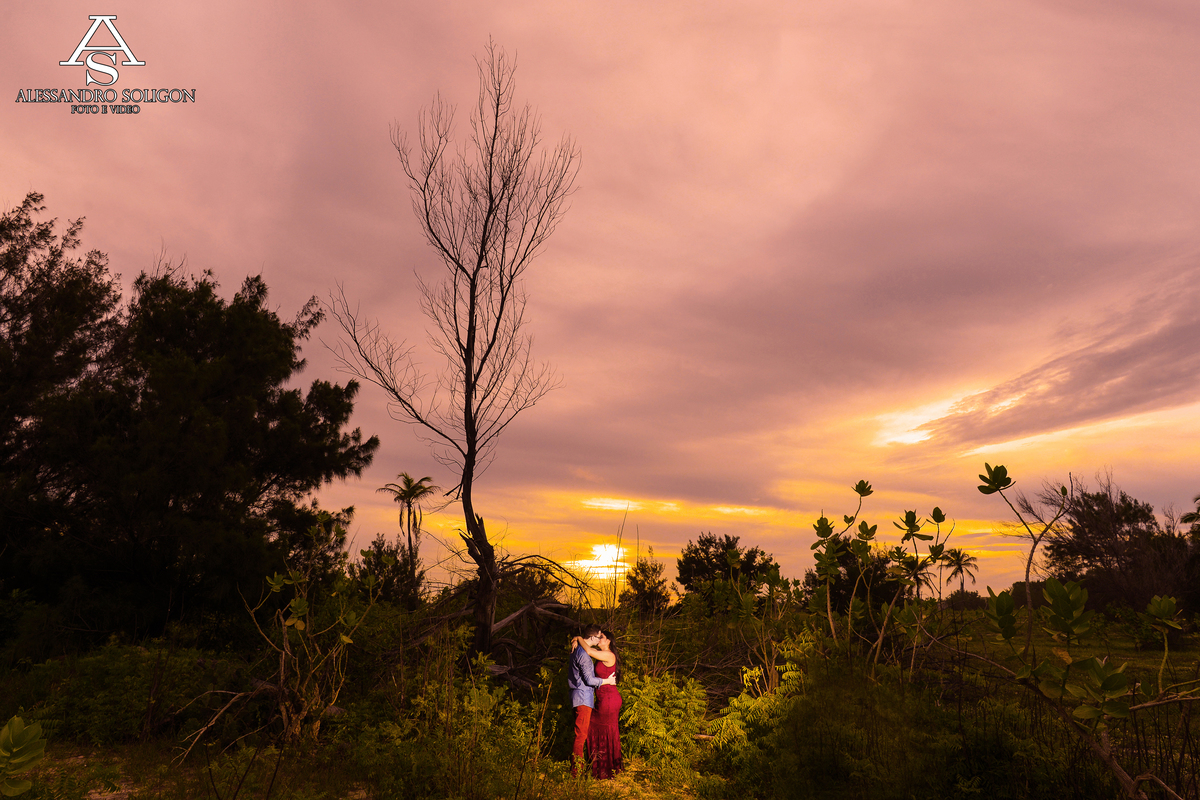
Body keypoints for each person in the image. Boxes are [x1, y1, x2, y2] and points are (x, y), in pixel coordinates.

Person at [573, 629, 623, 779]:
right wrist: (578, 640)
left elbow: (587, 649)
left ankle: (604, 770)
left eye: (602, 637)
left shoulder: (608, 655)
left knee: (598, 728)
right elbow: (588, 648)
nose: (599, 639)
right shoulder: (601, 654)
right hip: (604, 698)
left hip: (609, 699)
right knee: (601, 730)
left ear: (608, 641)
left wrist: (579, 637)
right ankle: (604, 767)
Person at [567, 624, 613, 775]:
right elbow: (590, 680)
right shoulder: (584, 655)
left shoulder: (576, 649)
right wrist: (606, 681)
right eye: (599, 636)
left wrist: (577, 639)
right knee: (581, 735)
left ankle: (581, 767)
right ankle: (576, 772)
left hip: (577, 695)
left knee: (580, 733)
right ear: (593, 637)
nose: (600, 639)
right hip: (583, 697)